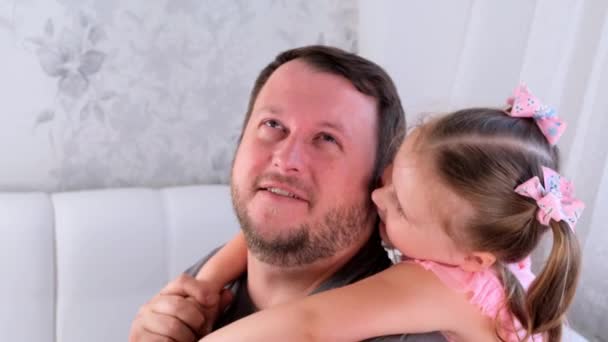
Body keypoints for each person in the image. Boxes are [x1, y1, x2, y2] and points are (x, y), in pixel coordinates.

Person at [197, 84, 584, 341]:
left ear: (472, 258)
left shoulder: (442, 285)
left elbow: (309, 325)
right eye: (391, 176)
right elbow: (268, 230)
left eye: (400, 207)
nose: (378, 198)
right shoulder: (491, 236)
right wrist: (208, 281)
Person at [128, 45, 445, 341]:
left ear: (381, 182)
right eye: (272, 124)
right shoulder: (208, 284)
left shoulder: (409, 325)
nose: (285, 159)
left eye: (327, 139)